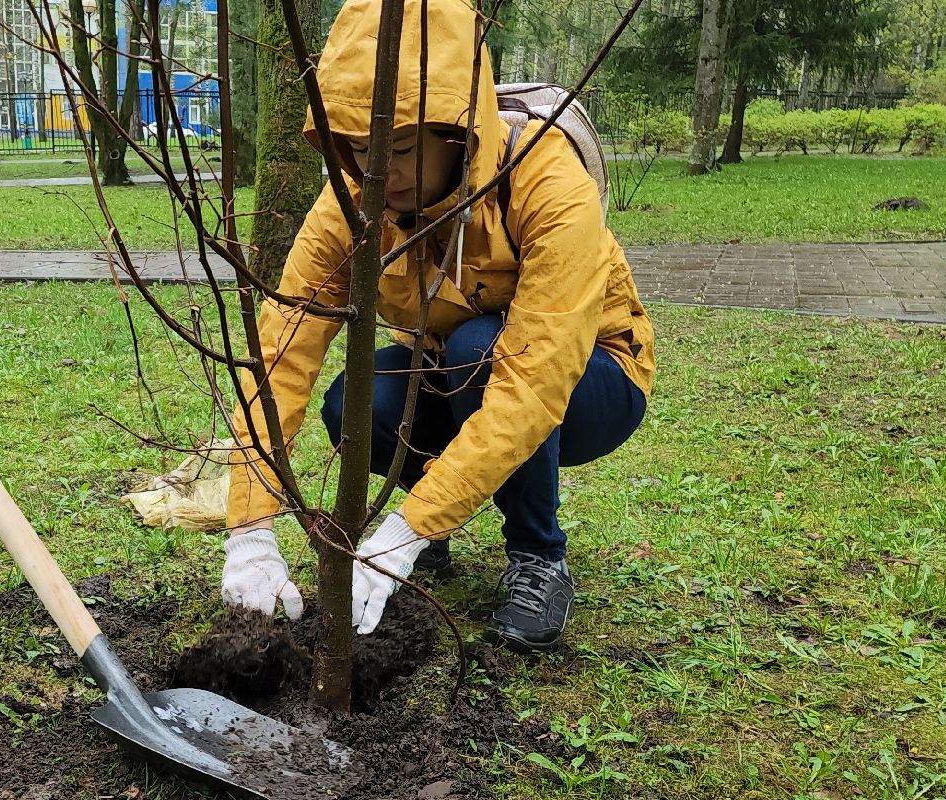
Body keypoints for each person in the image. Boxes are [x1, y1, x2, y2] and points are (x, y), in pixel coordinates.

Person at [219, 0, 655, 653]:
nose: (375, 172)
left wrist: (406, 529)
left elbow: (533, 382)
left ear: (458, 134)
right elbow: (282, 347)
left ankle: (539, 559)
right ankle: (433, 537)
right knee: (355, 400)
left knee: (480, 349)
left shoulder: (546, 180)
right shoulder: (352, 204)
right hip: (453, 369)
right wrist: (250, 527)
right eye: (358, 149)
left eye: (396, 148)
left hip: (593, 381)